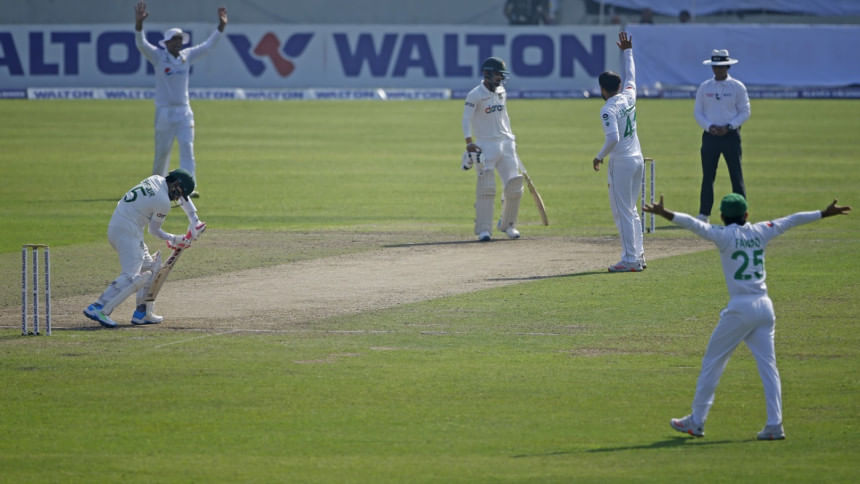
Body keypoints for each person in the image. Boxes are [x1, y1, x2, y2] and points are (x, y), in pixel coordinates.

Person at [644, 193, 851, 440]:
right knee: (769, 368)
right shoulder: (761, 231)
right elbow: (791, 220)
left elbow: (695, 224)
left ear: (722, 216)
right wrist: (823, 213)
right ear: (747, 215)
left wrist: (665, 214)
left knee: (713, 362)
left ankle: (697, 421)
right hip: (765, 307)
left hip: (740, 308)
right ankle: (774, 424)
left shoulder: (722, 235)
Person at [83, 169, 207, 328]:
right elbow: (154, 231)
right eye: (178, 193)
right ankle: (98, 307)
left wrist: (194, 220)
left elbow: (184, 198)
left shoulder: (155, 179)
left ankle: (142, 313)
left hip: (119, 226)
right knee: (131, 276)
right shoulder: (163, 201)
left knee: (151, 267)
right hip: (128, 233)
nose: (177, 198)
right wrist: (175, 238)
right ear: (176, 184)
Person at [134, 1, 227, 198]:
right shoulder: (158, 56)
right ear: (166, 43)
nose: (178, 42)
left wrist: (221, 27)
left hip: (184, 110)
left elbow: (208, 46)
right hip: (164, 112)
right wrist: (139, 24)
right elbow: (141, 44)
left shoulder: (186, 55)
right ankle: (155, 187)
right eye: (174, 39)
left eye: (180, 39)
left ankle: (187, 188)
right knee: (162, 152)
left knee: (187, 148)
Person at [592, 32, 645, 272]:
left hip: (622, 162)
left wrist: (599, 156)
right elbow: (632, 75)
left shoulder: (608, 108)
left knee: (623, 212)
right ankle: (639, 255)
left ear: (603, 89)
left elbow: (613, 138)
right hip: (637, 159)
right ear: (620, 86)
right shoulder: (629, 95)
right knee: (631, 210)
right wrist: (628, 52)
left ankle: (630, 259)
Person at [462, 56, 524, 242]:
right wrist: (469, 142)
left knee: (514, 186)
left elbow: (505, 117)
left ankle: (508, 225)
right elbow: (466, 119)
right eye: (498, 75)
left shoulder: (502, 91)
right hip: (485, 145)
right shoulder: (475, 94)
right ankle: (484, 230)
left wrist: (511, 140)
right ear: (487, 74)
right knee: (486, 188)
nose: (501, 79)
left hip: (506, 143)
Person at [694, 49, 750, 223]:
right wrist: (709, 126)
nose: (718, 70)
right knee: (708, 176)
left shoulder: (737, 87)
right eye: (715, 66)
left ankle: (741, 214)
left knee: (736, 175)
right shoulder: (705, 87)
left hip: (730, 136)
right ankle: (704, 214)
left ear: (727, 67)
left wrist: (730, 126)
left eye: (721, 66)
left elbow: (745, 111)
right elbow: (698, 112)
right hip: (710, 136)